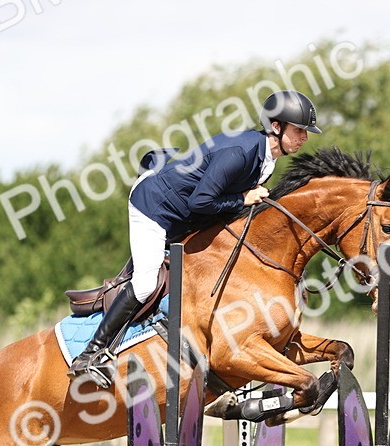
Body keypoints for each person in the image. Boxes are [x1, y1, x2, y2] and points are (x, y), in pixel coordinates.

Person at [67, 90, 322, 383]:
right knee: (146, 284)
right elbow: (200, 201)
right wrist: (243, 198)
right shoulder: (240, 153)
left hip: (186, 212)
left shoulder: (268, 158)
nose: (304, 138)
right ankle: (90, 355)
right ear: (276, 127)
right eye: (300, 130)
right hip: (154, 207)